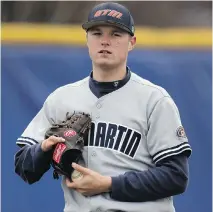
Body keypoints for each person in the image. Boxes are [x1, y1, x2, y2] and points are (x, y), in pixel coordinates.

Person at [14, 2, 192, 212]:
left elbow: (176, 177)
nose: (105, 41)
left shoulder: (154, 100)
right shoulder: (61, 99)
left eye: (116, 34)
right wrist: (43, 150)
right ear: (87, 40)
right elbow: (24, 167)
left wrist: (109, 184)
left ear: (131, 42)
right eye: (97, 33)